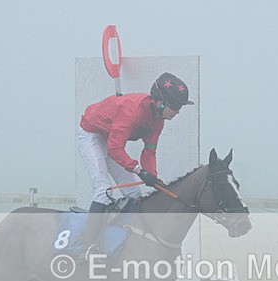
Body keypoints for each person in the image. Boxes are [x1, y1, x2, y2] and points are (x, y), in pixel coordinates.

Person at [75, 72, 194, 258]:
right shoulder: (131, 111)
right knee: (104, 191)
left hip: (109, 139)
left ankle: (129, 241)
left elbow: (149, 152)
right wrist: (139, 170)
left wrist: (153, 176)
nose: (177, 112)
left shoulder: (158, 122)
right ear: (160, 102)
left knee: (134, 193)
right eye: (176, 107)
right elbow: (115, 149)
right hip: (91, 135)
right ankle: (88, 247)